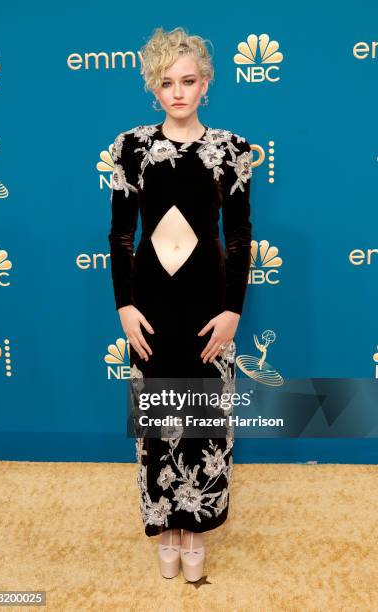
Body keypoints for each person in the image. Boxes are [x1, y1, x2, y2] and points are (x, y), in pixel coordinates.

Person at [108, 26, 253, 582]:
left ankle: (195, 535)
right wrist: (124, 306)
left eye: (188, 81)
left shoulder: (232, 151)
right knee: (156, 424)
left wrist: (233, 311)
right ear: (153, 88)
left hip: (208, 306)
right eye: (166, 82)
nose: (178, 92)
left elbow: (239, 238)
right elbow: (120, 237)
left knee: (203, 424)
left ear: (206, 84)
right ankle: (164, 529)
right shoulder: (131, 148)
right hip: (149, 305)